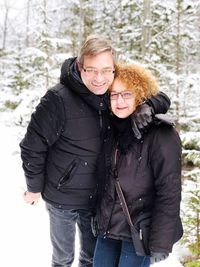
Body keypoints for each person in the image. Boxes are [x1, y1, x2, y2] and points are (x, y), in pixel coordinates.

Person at [20, 34, 171, 267]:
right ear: (80, 67)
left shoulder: (114, 90)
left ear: (113, 70)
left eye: (106, 70)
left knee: (90, 258)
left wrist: (148, 106)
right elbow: (32, 146)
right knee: (63, 258)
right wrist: (33, 187)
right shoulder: (57, 99)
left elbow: (158, 94)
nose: (99, 78)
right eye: (91, 70)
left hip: (98, 198)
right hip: (63, 197)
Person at [93, 63, 183, 267]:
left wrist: (161, 242)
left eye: (127, 94)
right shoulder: (110, 127)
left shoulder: (161, 134)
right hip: (108, 229)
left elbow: (169, 191)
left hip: (140, 232)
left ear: (140, 96)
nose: (119, 101)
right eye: (114, 95)